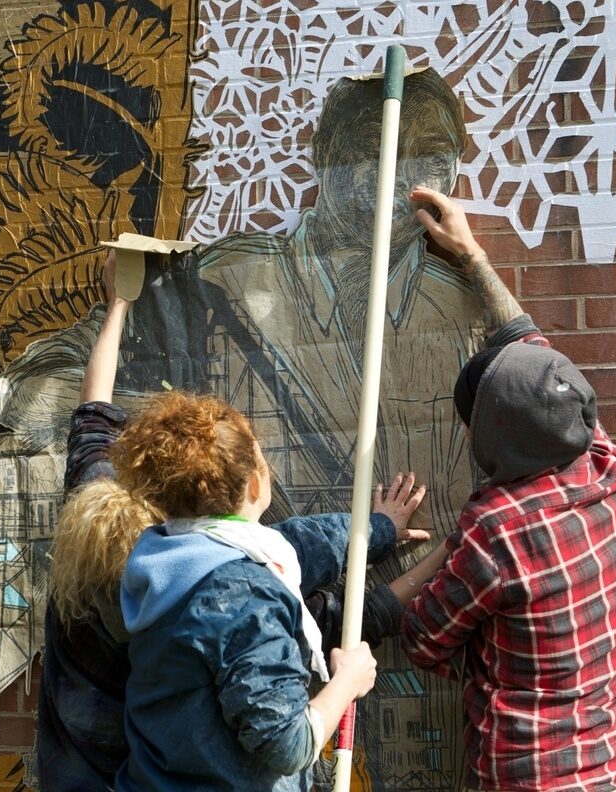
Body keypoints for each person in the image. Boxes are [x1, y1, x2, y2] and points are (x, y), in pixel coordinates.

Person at [38, 252, 443, 792]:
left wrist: (119, 302)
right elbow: (320, 615)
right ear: (253, 487)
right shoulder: (232, 594)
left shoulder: (104, 524)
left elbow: (93, 416)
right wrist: (347, 680)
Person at [399, 187, 616, 792]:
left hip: (534, 779)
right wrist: (472, 255)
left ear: (492, 439)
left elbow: (424, 640)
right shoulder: (609, 466)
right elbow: (533, 348)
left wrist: (428, 549)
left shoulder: (496, 528)